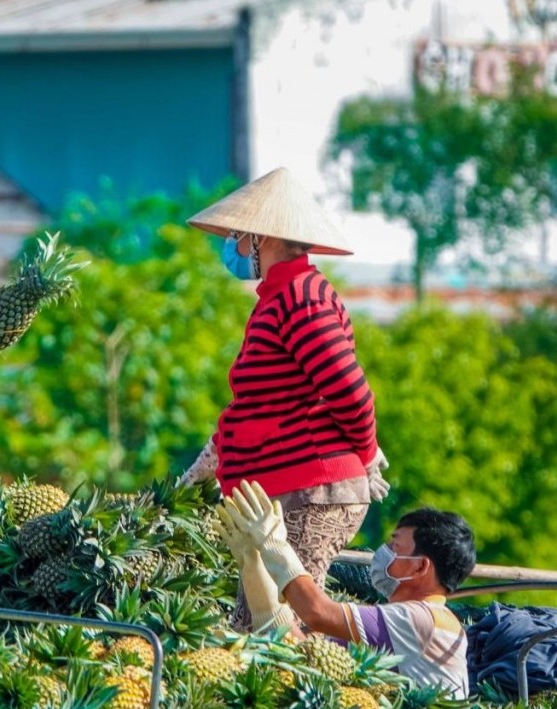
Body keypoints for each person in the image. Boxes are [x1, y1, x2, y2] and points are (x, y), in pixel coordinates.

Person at [178, 167, 389, 631]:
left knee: (280, 629)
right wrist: (209, 462)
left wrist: (368, 453)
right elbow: (259, 405)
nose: (231, 246)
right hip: (281, 490)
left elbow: (349, 391)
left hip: (313, 487)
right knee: (250, 623)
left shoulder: (301, 296)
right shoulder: (276, 299)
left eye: (236, 235)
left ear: (260, 238)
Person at [216, 480, 475, 699]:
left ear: (420, 567)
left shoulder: (424, 620)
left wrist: (274, 544)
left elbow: (316, 612)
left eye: (395, 548)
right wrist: (252, 565)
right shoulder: (403, 622)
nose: (383, 553)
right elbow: (302, 653)